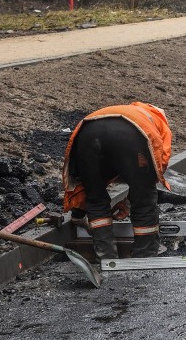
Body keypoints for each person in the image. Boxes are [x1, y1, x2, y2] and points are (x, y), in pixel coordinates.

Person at [62, 102, 172, 259]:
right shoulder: (158, 122)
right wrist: (136, 195)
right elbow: (156, 168)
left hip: (87, 133)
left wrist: (78, 213)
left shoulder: (127, 110)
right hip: (132, 136)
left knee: (95, 198)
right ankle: (144, 255)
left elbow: (86, 183)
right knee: (144, 201)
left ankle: (106, 257)